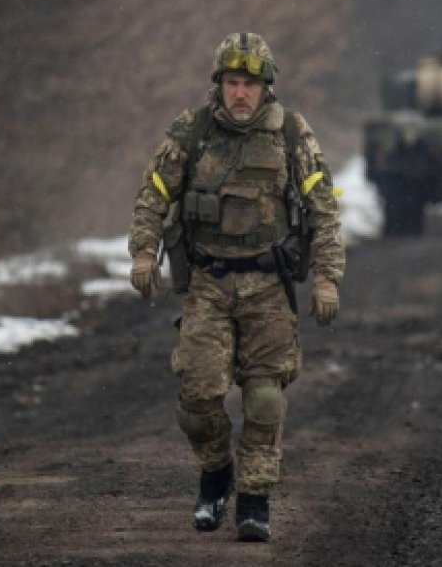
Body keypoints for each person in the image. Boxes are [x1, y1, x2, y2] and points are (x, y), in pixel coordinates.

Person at [127, 32, 345, 542]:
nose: (240, 93)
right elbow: (153, 193)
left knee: (265, 400)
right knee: (198, 398)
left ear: (265, 86)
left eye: (249, 83)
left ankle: (253, 502)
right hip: (208, 284)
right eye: (231, 82)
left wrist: (327, 278)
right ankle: (216, 474)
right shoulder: (192, 131)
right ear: (219, 84)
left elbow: (324, 209)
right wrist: (143, 250)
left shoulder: (290, 133)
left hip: (267, 286)